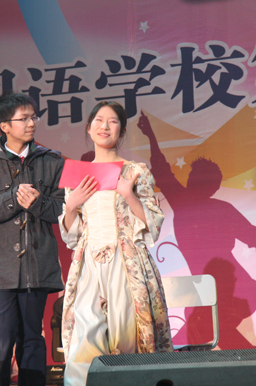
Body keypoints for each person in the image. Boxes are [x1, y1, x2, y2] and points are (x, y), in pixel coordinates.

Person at [137, 111, 256, 349]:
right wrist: (151, 136)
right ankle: (252, 358)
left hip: (238, 292)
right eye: (192, 176)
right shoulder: (182, 201)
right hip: (207, 292)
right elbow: (162, 170)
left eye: (198, 178)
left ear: (211, 186)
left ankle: (252, 359)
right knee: (198, 333)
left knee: (194, 332)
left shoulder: (221, 210)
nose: (192, 181)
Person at [60, 101, 173, 386]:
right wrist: (71, 206)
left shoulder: (135, 171)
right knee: (84, 342)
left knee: (127, 339)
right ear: (89, 128)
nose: (104, 126)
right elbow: (73, 235)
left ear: (121, 131)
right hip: (88, 266)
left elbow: (152, 223)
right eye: (99, 120)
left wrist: (128, 194)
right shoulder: (77, 174)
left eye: (112, 121)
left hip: (126, 264)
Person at [0, 91, 65, 386]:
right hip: (0, 270)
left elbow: (63, 210)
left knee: (32, 335)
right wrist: (13, 198)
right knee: (2, 333)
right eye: (23, 119)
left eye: (33, 117)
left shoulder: (52, 161)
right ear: (5, 126)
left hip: (38, 266)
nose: (31, 123)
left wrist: (37, 203)